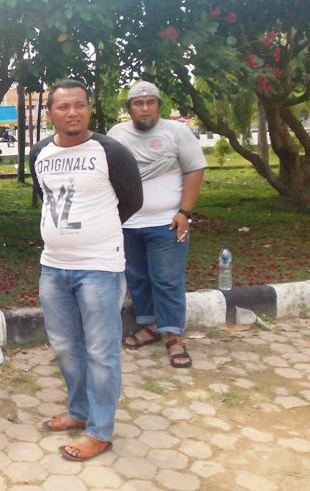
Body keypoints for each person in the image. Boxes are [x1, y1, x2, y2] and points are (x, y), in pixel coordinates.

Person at [29, 80, 143, 461]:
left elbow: (132, 200)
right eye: (63, 107)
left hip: (100, 268)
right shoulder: (40, 153)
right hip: (53, 268)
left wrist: (96, 232)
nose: (72, 112)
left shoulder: (110, 152)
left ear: (89, 109)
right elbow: (46, 197)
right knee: (64, 347)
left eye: (79, 105)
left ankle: (100, 431)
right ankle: (79, 411)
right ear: (50, 114)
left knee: (101, 352)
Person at [108, 81, 206, 369]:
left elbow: (194, 169)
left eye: (150, 102)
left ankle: (173, 337)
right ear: (129, 109)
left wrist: (185, 212)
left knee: (167, 279)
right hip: (127, 224)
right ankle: (150, 327)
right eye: (138, 103)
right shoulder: (117, 135)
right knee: (138, 278)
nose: (145, 108)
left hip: (167, 223)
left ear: (159, 106)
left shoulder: (176, 132)